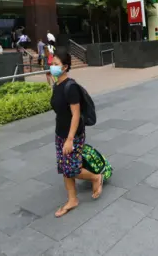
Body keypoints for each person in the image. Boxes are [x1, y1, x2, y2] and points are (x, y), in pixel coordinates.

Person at [50, 49, 103, 218]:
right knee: (64, 167)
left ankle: (96, 177)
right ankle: (72, 199)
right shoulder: (57, 84)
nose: (52, 67)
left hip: (72, 135)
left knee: (72, 168)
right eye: (52, 63)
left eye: (56, 64)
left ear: (65, 67)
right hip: (60, 133)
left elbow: (75, 114)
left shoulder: (70, 87)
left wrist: (70, 139)